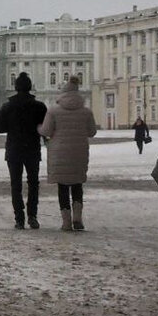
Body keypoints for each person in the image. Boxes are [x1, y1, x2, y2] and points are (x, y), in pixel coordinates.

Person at [39, 77, 98, 231]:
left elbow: (46, 131)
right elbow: (92, 132)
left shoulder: (53, 111)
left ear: (62, 93)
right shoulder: (86, 111)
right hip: (79, 152)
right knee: (77, 184)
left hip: (60, 153)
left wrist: (39, 128)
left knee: (63, 187)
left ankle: (66, 222)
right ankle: (78, 218)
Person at [0, 72, 48, 229]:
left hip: (14, 150)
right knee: (33, 183)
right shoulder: (39, 107)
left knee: (15, 185)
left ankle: (19, 218)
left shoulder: (8, 107)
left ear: (16, 87)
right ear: (30, 87)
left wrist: (11, 127)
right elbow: (45, 128)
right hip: (32, 149)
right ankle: (32, 215)